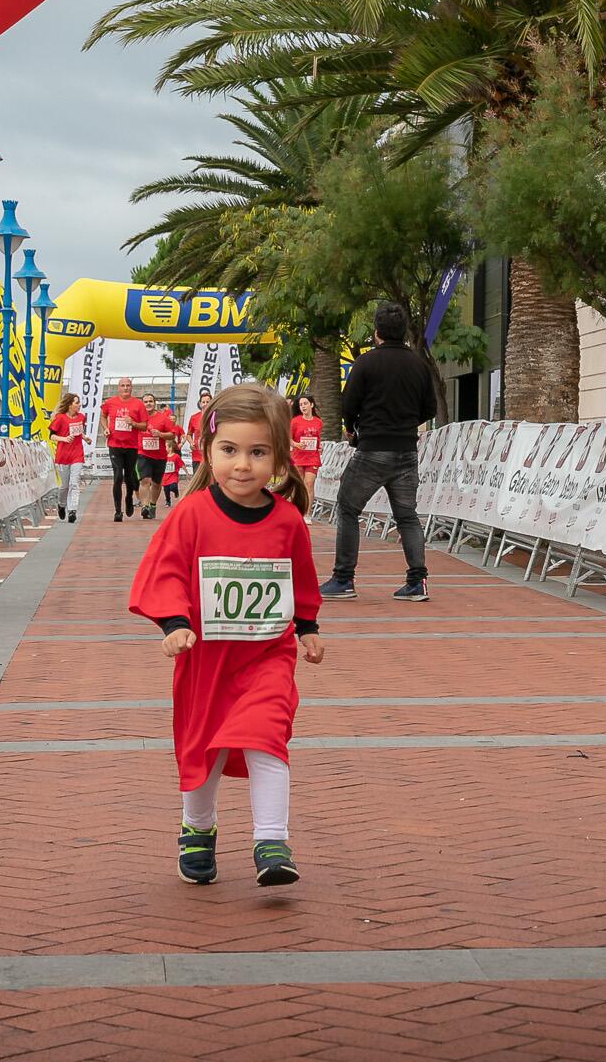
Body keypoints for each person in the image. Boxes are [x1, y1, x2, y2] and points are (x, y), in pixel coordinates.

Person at [128, 384, 324, 887]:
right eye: (230, 450)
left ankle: (272, 840)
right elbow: (165, 572)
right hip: (206, 661)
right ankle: (197, 828)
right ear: (207, 451)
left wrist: (308, 627)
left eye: (258, 452)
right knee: (205, 747)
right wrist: (174, 624)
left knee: (268, 738)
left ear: (279, 457)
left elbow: (301, 576)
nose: (243, 465)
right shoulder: (191, 514)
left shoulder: (286, 521)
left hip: (268, 657)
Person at [321, 302, 436, 603]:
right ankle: (417, 581)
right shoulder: (419, 365)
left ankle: (343, 579)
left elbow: (349, 403)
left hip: (372, 449)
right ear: (404, 331)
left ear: (376, 332)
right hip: (407, 451)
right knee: (407, 516)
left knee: (348, 507)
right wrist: (406, 424)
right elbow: (430, 408)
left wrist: (351, 428)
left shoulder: (366, 363)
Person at [101, 377, 148, 522]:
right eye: (123, 385)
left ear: (131, 388)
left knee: (129, 477)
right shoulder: (110, 402)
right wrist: (106, 428)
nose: (125, 388)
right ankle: (117, 511)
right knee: (117, 476)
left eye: (128, 385)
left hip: (131, 446)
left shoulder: (138, 404)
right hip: (115, 444)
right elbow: (102, 416)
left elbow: (144, 426)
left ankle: (129, 498)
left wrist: (133, 423)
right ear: (118, 388)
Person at [135, 391, 177, 519]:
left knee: (156, 483)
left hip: (159, 456)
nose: (148, 404)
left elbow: (173, 434)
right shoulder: (137, 418)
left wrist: (160, 434)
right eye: (146, 402)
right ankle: (145, 506)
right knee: (145, 480)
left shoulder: (163, 418)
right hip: (142, 453)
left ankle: (152, 505)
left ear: (155, 403)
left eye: (150, 401)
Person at [48, 392, 85, 522]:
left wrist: (85, 438)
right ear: (69, 405)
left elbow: (79, 432)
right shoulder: (60, 418)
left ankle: (72, 510)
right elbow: (51, 436)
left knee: (74, 483)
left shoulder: (81, 417)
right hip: (63, 456)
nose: (79, 404)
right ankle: (61, 505)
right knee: (64, 486)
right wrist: (64, 438)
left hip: (77, 454)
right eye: (76, 402)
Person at [289, 394, 323, 481]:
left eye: (305, 403)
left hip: (313, 458)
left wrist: (320, 447)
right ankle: (296, 495)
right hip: (298, 457)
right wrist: (296, 444)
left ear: (311, 405)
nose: (303, 406)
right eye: (301, 405)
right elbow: (288, 439)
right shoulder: (295, 421)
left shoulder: (318, 422)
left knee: (309, 483)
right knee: (299, 485)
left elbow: (317, 439)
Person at [161, 433, 183, 507]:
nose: (165, 448)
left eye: (166, 447)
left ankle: (175, 491)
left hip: (173, 476)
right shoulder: (163, 456)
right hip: (165, 477)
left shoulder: (176, 456)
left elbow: (182, 464)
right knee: (166, 490)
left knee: (173, 486)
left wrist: (187, 473)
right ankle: (168, 501)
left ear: (170, 448)